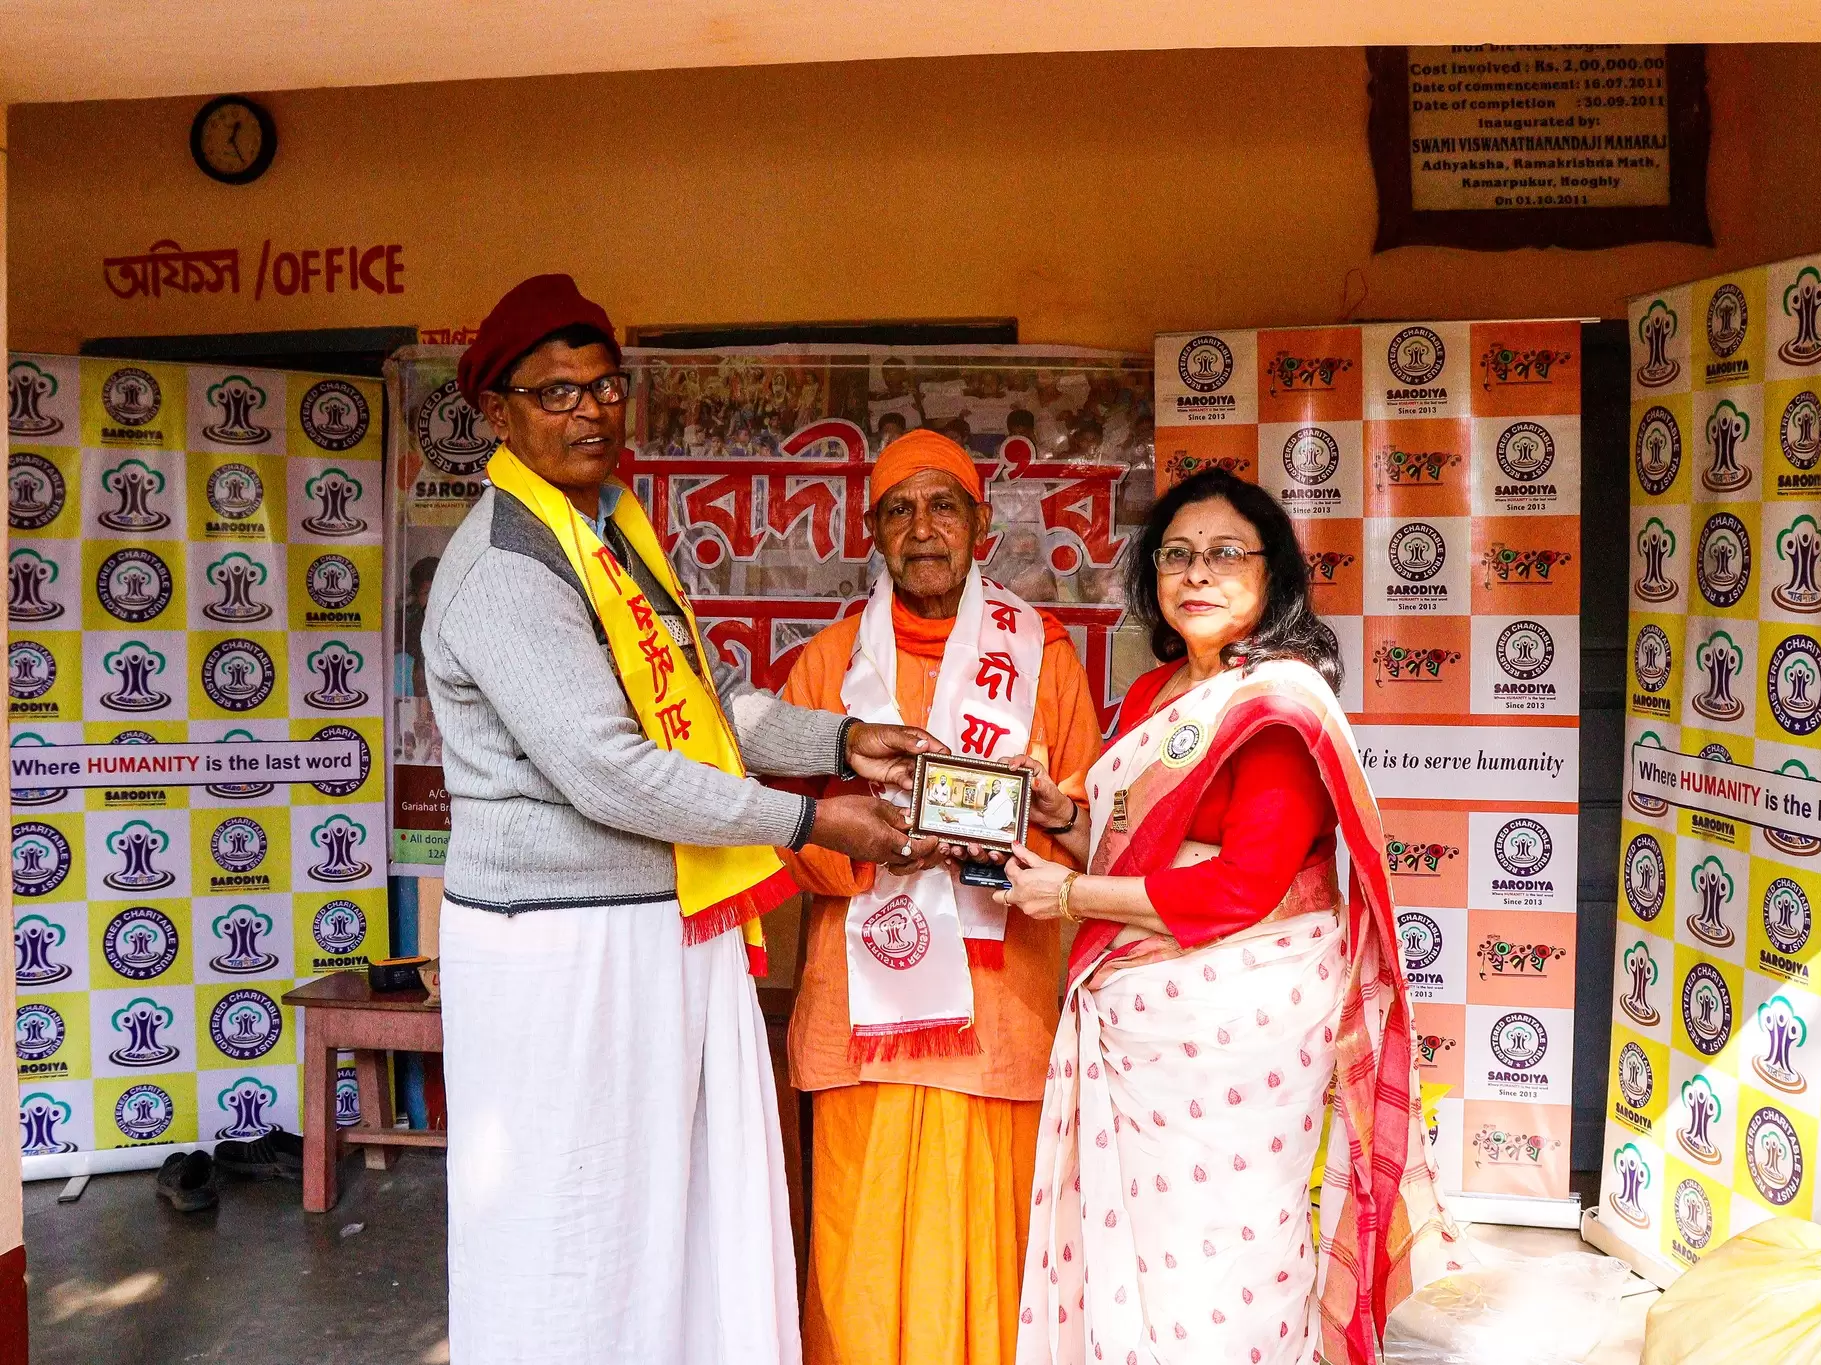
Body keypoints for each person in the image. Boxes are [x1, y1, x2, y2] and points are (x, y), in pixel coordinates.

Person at [422, 274, 942, 1365]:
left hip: (653, 927)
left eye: (605, 386)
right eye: (556, 392)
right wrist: (808, 823)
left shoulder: (608, 532)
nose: (590, 411)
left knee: (672, 1218)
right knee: (576, 1232)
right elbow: (609, 772)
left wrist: (842, 742)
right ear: (498, 414)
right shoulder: (506, 566)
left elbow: (704, 706)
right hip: (559, 948)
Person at [1001, 469, 1463, 1364]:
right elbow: (1132, 847)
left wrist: (1066, 897)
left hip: (1239, 1033)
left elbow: (1242, 887)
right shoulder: (1152, 694)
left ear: (1270, 573)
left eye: (1224, 554)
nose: (1197, 573)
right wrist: (1063, 818)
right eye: (1176, 555)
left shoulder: (1277, 704)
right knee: (1135, 1259)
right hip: (1138, 1024)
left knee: (1225, 1264)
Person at [777, 429, 1104, 1365]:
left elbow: (1088, 826)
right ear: (872, 530)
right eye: (900, 510)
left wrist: (1027, 828)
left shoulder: (1042, 656)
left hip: (998, 1011)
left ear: (980, 524)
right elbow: (788, 829)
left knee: (990, 1267)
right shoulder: (827, 664)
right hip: (863, 1017)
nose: (923, 529)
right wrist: (873, 846)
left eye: (943, 506)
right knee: (861, 1264)